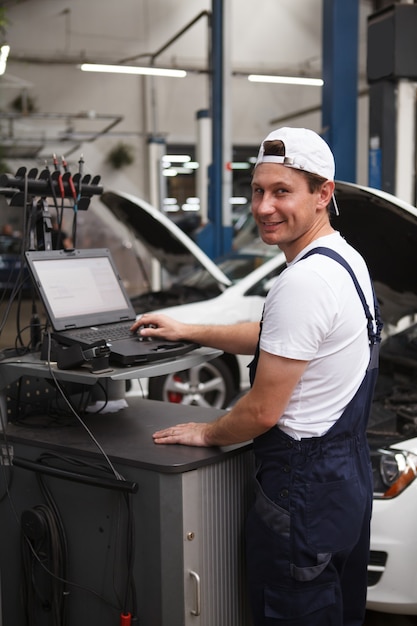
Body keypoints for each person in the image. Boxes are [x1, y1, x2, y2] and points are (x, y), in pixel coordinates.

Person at [131, 127, 382, 626]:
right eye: (259, 190)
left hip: (301, 490)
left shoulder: (304, 282)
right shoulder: (344, 260)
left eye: (283, 192)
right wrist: (190, 329)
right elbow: (276, 336)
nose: (264, 207)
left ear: (323, 194)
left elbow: (262, 411)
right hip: (346, 479)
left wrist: (207, 431)